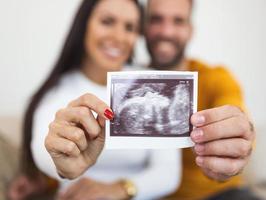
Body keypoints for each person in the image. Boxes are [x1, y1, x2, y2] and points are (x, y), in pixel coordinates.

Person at [9, 0, 181, 200]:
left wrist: (120, 189)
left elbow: (169, 172)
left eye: (130, 27)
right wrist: (61, 163)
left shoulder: (153, 83)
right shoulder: (57, 92)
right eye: (107, 21)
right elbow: (43, 147)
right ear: (84, 26)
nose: (118, 37)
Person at [143, 0, 259, 199]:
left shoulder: (216, 78)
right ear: (143, 27)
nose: (167, 31)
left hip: (221, 194)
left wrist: (239, 135)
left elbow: (236, 111)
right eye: (156, 19)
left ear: (190, 30)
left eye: (178, 21)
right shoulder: (128, 84)